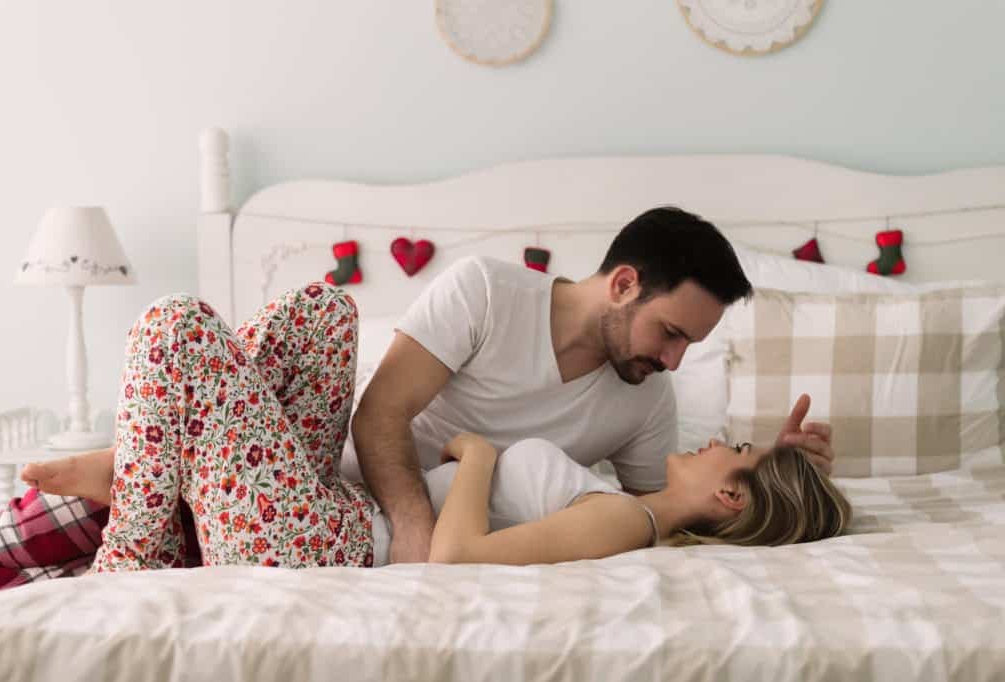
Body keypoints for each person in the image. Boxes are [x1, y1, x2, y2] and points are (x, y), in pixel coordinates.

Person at [17, 282, 850, 570]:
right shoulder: (619, 501)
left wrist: (480, 456)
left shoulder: (626, 521)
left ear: (730, 499)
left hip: (323, 543)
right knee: (322, 312)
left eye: (735, 451)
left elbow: (454, 559)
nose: (718, 440)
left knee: (176, 326)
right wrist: (777, 461)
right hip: (326, 502)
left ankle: (133, 544)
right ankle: (162, 464)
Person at [350, 206, 835, 563]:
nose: (674, 362)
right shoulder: (485, 293)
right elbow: (378, 413)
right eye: (670, 333)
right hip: (349, 488)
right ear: (623, 285)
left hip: (424, 534)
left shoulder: (648, 397)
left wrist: (780, 477)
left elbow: (657, 513)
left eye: (689, 343)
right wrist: (413, 531)